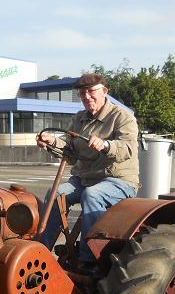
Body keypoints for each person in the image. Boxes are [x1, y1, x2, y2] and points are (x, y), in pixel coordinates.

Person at [36, 73, 139, 269]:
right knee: (56, 194)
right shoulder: (79, 119)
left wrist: (106, 145)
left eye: (91, 91)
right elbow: (70, 150)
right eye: (82, 94)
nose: (87, 97)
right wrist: (52, 141)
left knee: (92, 196)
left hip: (117, 181)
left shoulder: (122, 117)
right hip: (85, 179)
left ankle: (88, 259)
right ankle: (39, 251)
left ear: (104, 91)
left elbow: (128, 149)